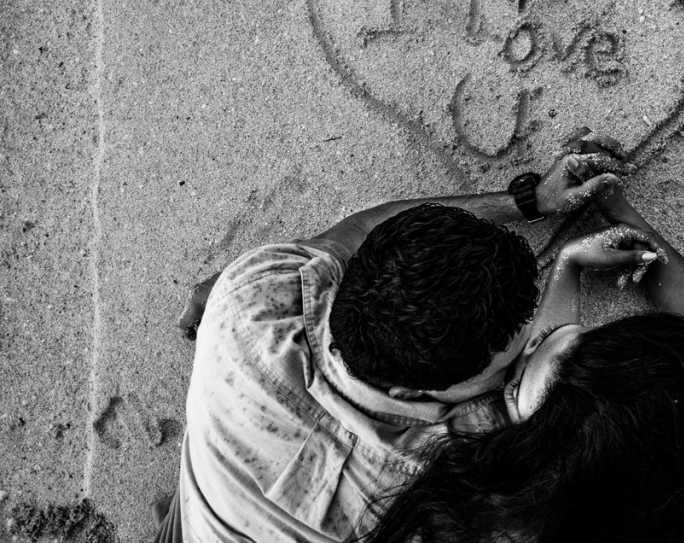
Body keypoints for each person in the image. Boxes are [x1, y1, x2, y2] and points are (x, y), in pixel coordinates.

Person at [152, 142, 635, 543]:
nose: (521, 360)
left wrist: (531, 201)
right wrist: (567, 265)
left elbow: (364, 228)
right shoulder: (442, 473)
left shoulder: (252, 292)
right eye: (502, 370)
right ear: (416, 392)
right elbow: (543, 398)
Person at [360, 142, 684, 543]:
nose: (529, 345)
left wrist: (551, 232)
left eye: (514, 388)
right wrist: (603, 229)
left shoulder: (493, 510)